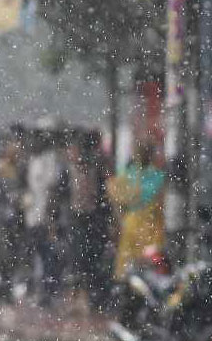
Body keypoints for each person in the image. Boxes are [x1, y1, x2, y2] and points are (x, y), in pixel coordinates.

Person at [64, 130, 113, 312]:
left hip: (92, 220)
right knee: (76, 259)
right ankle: (75, 298)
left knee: (89, 259)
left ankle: (87, 298)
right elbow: (61, 196)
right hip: (75, 219)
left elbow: (103, 197)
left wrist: (106, 220)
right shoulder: (68, 172)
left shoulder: (95, 170)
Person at [110, 136, 168, 281]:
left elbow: (114, 194)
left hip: (134, 224)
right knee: (150, 266)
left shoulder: (129, 174)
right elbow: (161, 203)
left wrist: (121, 218)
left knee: (129, 267)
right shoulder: (157, 176)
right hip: (150, 224)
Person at [22, 132, 67, 307]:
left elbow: (52, 189)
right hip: (33, 216)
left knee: (48, 255)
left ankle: (48, 292)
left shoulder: (51, 162)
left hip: (46, 218)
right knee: (36, 254)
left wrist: (51, 218)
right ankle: (36, 289)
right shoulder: (33, 161)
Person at [0, 128, 25, 305]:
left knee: (12, 252)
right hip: (2, 216)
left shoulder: (20, 167)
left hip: (15, 217)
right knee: (2, 252)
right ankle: (5, 285)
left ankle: (7, 286)